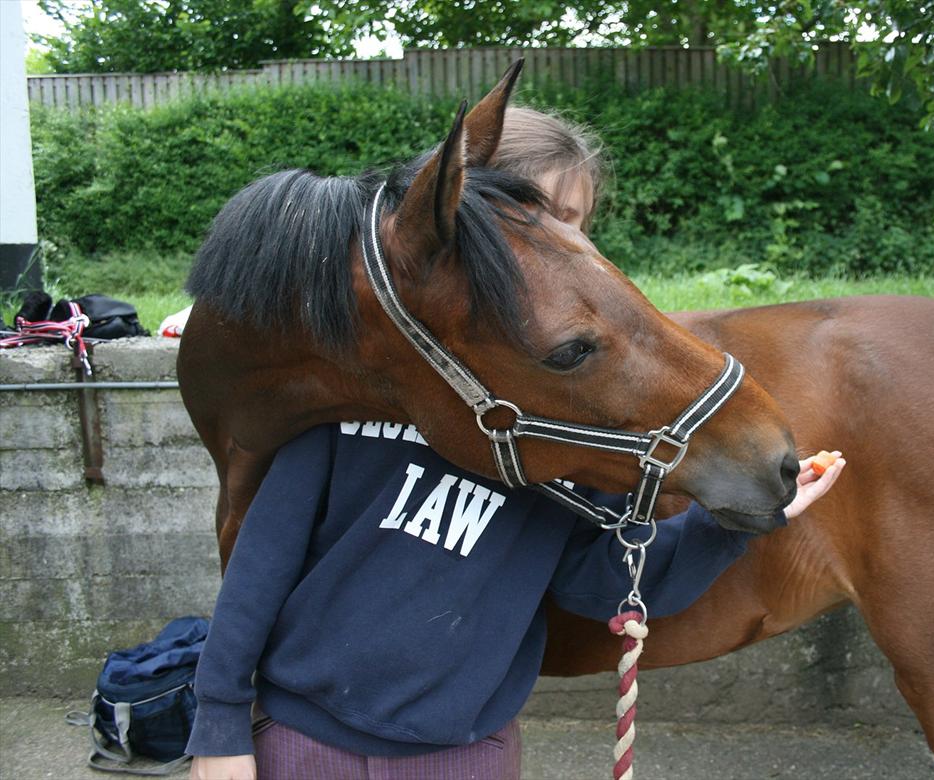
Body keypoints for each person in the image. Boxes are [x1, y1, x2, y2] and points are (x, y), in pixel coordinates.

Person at [187, 108, 847, 780]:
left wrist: (718, 526)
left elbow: (603, 580)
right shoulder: (349, 411)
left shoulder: (554, 436)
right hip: (306, 740)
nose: (560, 241)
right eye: (538, 213)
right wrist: (219, 726)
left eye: (576, 221)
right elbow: (255, 576)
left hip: (465, 751)